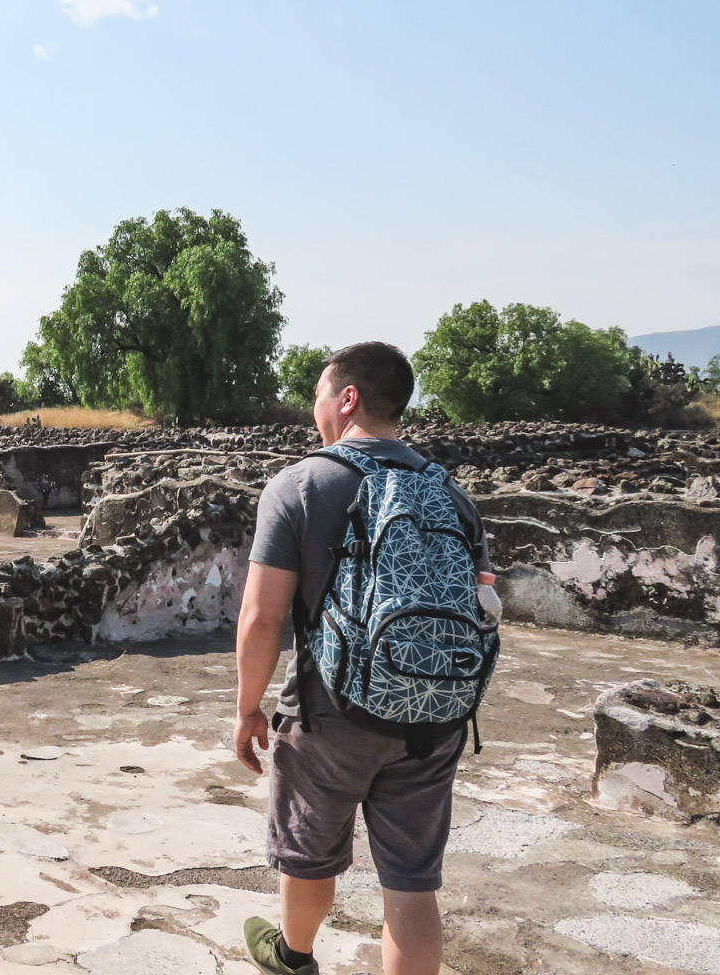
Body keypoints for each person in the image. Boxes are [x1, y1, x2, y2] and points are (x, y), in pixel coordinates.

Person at [233, 341, 491, 975]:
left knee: (310, 855)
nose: (314, 410)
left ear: (347, 399)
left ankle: (293, 957)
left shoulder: (300, 485)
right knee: (410, 883)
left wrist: (247, 710)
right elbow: (484, 607)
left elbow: (263, 616)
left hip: (329, 714)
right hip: (434, 715)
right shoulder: (451, 495)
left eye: (319, 396)